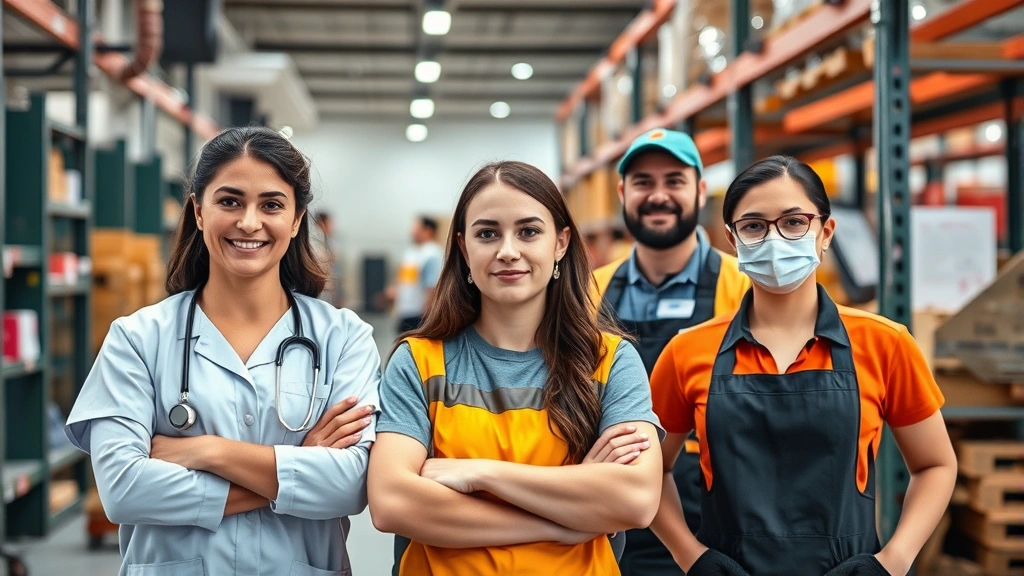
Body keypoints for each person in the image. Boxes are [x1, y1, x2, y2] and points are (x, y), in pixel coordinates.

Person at [64, 126, 380, 576]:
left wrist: (209, 451)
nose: (249, 222)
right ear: (198, 211)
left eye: (271, 205)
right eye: (230, 201)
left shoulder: (342, 337)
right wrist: (300, 463)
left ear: (296, 220)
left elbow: (350, 485)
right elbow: (123, 489)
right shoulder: (138, 338)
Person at [648, 155, 957, 576]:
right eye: (754, 226)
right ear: (733, 240)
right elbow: (650, 470)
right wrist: (691, 557)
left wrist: (893, 562)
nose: (774, 239)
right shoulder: (687, 351)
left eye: (794, 222)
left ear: (825, 232)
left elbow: (935, 465)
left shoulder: (886, 344)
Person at [368, 161, 665, 576]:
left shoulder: (609, 360)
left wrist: (480, 474)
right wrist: (564, 519)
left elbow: (636, 500)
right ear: (464, 248)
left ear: (560, 243)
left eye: (528, 232)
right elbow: (392, 503)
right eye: (487, 234)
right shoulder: (419, 361)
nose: (508, 251)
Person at [591, 128, 750, 575]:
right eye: (643, 182)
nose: (658, 195)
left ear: (700, 191)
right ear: (622, 193)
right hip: (610, 518)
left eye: (674, 181)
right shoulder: (586, 294)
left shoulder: (746, 289)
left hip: (721, 521)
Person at [385, 215, 443, 332]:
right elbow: (404, 279)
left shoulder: (432, 254)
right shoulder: (411, 252)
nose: (412, 231)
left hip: (419, 314)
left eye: (417, 228)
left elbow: (433, 286)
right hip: (405, 311)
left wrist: (427, 315)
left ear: (428, 230)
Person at [313, 211, 346, 308]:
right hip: (320, 285)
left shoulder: (330, 241)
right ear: (321, 223)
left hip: (330, 286)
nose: (331, 227)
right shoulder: (314, 240)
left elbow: (336, 267)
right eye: (329, 223)